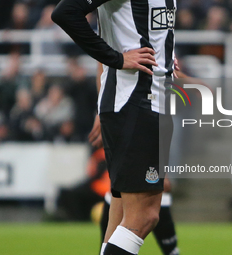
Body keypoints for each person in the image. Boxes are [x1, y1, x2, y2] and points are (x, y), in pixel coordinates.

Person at [52, 0, 177, 254]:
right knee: (144, 216)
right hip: (136, 103)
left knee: (121, 215)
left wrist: (167, 60)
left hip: (150, 103)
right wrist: (117, 59)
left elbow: (142, 32)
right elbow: (65, 12)